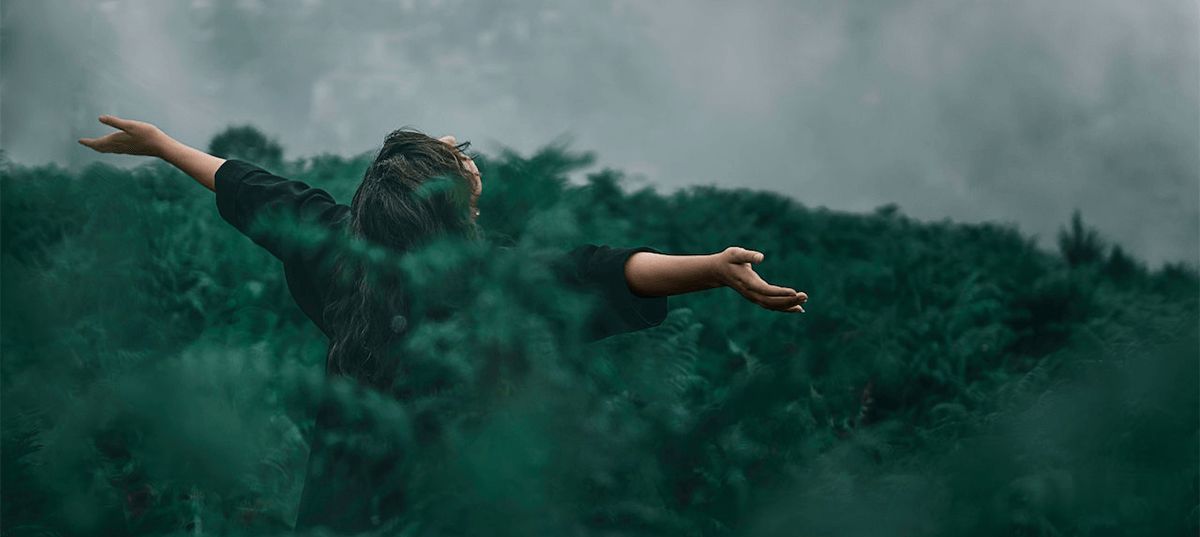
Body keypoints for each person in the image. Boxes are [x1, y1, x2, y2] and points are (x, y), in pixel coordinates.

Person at [78, 115, 809, 533]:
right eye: (463, 165)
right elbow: (600, 269)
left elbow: (249, 189)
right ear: (450, 207)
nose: (470, 158)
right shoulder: (486, 278)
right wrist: (712, 269)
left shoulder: (338, 242)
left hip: (338, 510)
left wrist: (163, 145)